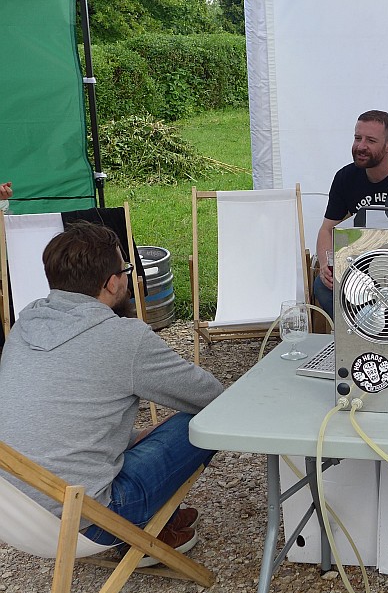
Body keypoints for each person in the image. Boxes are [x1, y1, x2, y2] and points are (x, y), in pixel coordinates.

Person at [0, 221, 223, 560]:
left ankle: (159, 523)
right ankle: (142, 533)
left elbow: (56, 421)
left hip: (17, 517)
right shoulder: (123, 338)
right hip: (90, 521)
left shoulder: (25, 324)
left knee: (142, 435)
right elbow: (211, 396)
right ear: (112, 282)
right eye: (125, 270)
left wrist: (136, 436)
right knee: (201, 422)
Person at [313, 110, 388, 316]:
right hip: (363, 272)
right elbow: (327, 229)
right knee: (322, 286)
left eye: (370, 140)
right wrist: (326, 264)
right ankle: (357, 329)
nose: (361, 146)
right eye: (357, 138)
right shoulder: (345, 178)